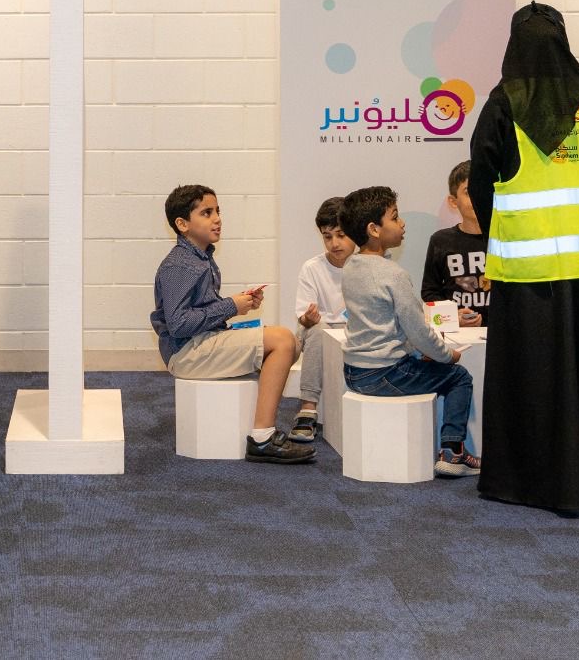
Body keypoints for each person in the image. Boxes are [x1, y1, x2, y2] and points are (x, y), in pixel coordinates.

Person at [470, 1, 579, 515]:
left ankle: (531, 483)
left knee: (531, 378)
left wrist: (501, 234)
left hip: (529, 272)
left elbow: (481, 181)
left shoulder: (503, 104)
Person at [151, 184, 314, 464]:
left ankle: (262, 427)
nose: (217, 219)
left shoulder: (201, 258)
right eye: (206, 213)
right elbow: (178, 324)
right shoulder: (180, 265)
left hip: (200, 343)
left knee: (291, 344)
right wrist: (231, 306)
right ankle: (262, 438)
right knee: (283, 340)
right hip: (186, 352)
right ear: (182, 224)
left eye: (218, 211)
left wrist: (240, 303)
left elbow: (199, 312)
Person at [340, 186, 482, 477]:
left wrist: (418, 353)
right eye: (395, 217)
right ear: (374, 229)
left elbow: (387, 326)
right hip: (385, 373)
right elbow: (417, 330)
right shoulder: (393, 275)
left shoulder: (351, 266)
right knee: (459, 378)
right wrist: (447, 355)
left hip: (354, 372)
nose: (402, 223)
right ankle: (453, 452)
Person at [288, 196, 352, 443]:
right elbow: (304, 320)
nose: (334, 243)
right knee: (317, 328)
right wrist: (308, 319)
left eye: (341, 235)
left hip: (353, 330)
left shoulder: (365, 265)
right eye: (327, 237)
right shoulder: (312, 268)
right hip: (318, 331)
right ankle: (308, 407)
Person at [421, 160, 489, 327]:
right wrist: (452, 316)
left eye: (484, 189)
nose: (478, 197)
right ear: (453, 201)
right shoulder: (440, 241)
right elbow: (429, 292)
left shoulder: (505, 240)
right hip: (456, 333)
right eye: (468, 192)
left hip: (498, 332)